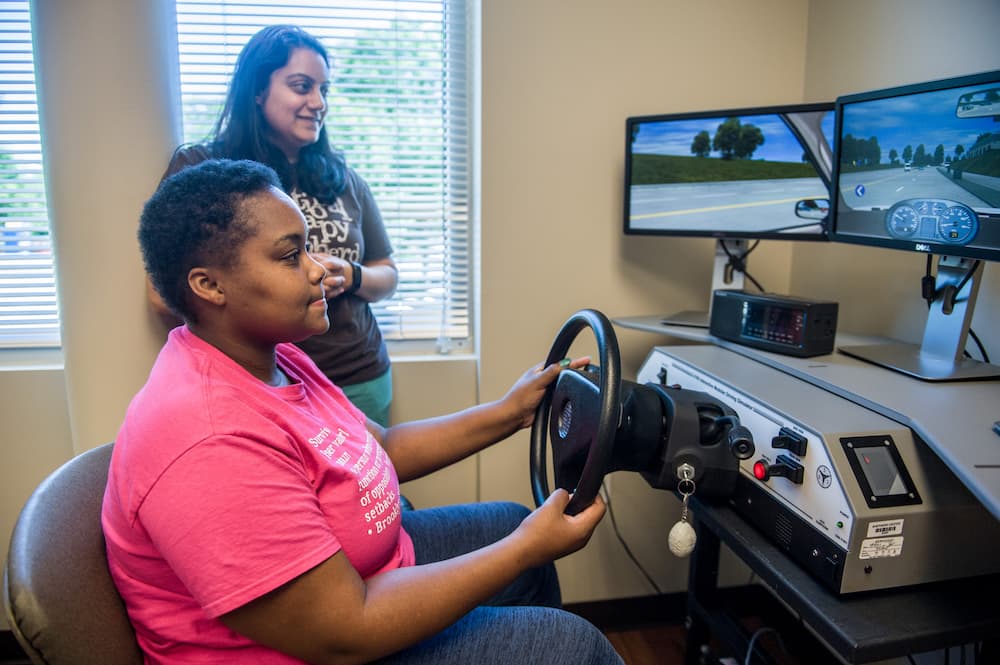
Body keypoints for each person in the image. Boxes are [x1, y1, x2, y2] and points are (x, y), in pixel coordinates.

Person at [104, 158, 622, 665]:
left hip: (366, 575)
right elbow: (344, 633)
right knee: (572, 644)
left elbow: (382, 447)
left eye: (307, 248)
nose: (317, 271)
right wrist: (524, 548)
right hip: (330, 639)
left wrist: (510, 412)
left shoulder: (275, 356)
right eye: (290, 257)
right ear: (209, 286)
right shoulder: (209, 441)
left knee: (513, 524)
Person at [148, 24, 396, 426]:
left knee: (371, 485)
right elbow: (164, 297)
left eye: (323, 90)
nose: (318, 102)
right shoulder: (205, 172)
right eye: (302, 86)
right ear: (258, 91)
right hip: (259, 384)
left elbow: (387, 272)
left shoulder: (344, 178)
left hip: (358, 373)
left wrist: (350, 275)